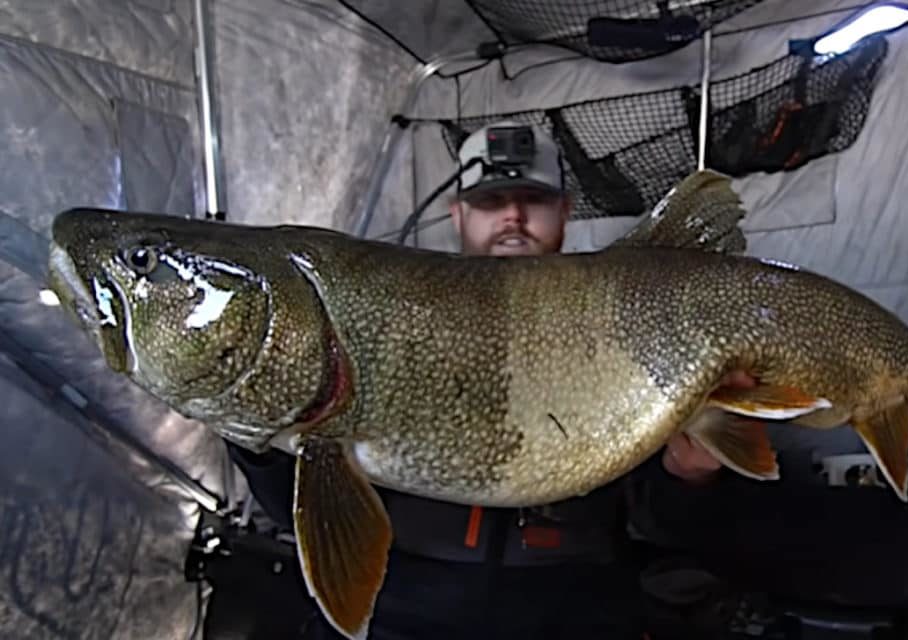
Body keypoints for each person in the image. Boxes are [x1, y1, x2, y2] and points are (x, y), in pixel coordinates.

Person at [226, 121, 749, 640]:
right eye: (491, 200)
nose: (513, 216)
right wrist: (257, 439)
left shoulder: (637, 320)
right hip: (403, 615)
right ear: (459, 214)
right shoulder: (384, 311)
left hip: (578, 613)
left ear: (565, 212)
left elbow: (667, 530)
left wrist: (693, 478)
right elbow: (304, 503)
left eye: (533, 199)